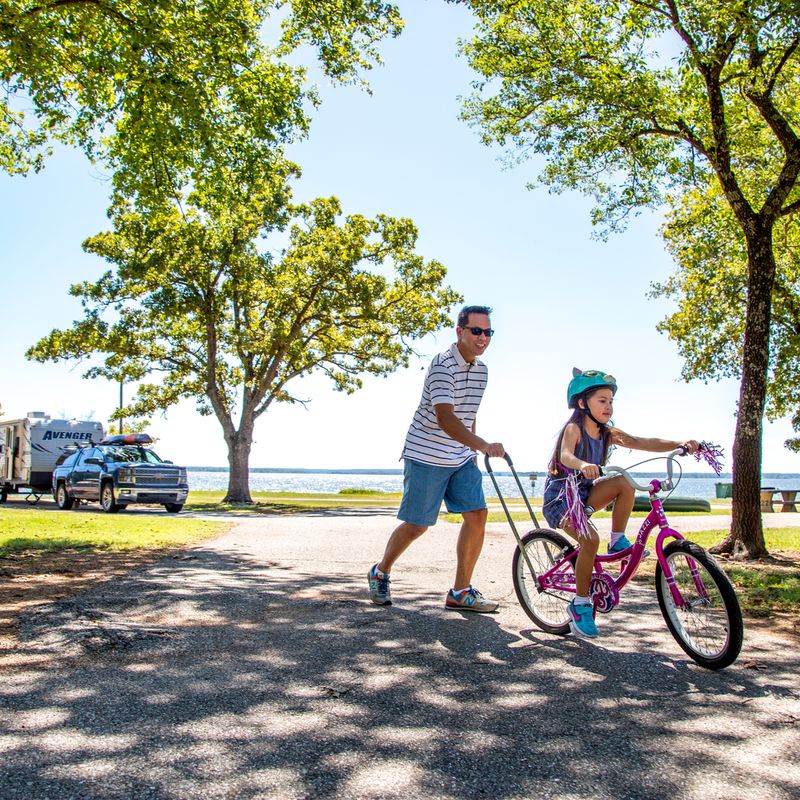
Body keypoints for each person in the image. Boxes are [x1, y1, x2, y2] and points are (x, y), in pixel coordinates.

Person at [368, 305, 505, 612]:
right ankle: (380, 571)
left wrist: (471, 450)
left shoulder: (481, 370)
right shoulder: (443, 365)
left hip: (459, 457)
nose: (483, 338)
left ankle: (460, 592)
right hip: (425, 454)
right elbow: (446, 418)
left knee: (477, 515)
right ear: (460, 331)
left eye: (488, 332)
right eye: (476, 331)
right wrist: (482, 445)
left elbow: (468, 415)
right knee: (417, 525)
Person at [542, 368, 698, 639]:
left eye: (610, 401)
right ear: (582, 403)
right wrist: (584, 464)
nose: (608, 406)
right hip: (562, 497)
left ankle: (617, 539)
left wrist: (680, 443)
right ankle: (580, 605)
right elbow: (566, 455)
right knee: (589, 541)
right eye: (602, 400)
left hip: (586, 492)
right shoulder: (574, 428)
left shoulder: (607, 433)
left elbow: (641, 441)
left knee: (624, 482)